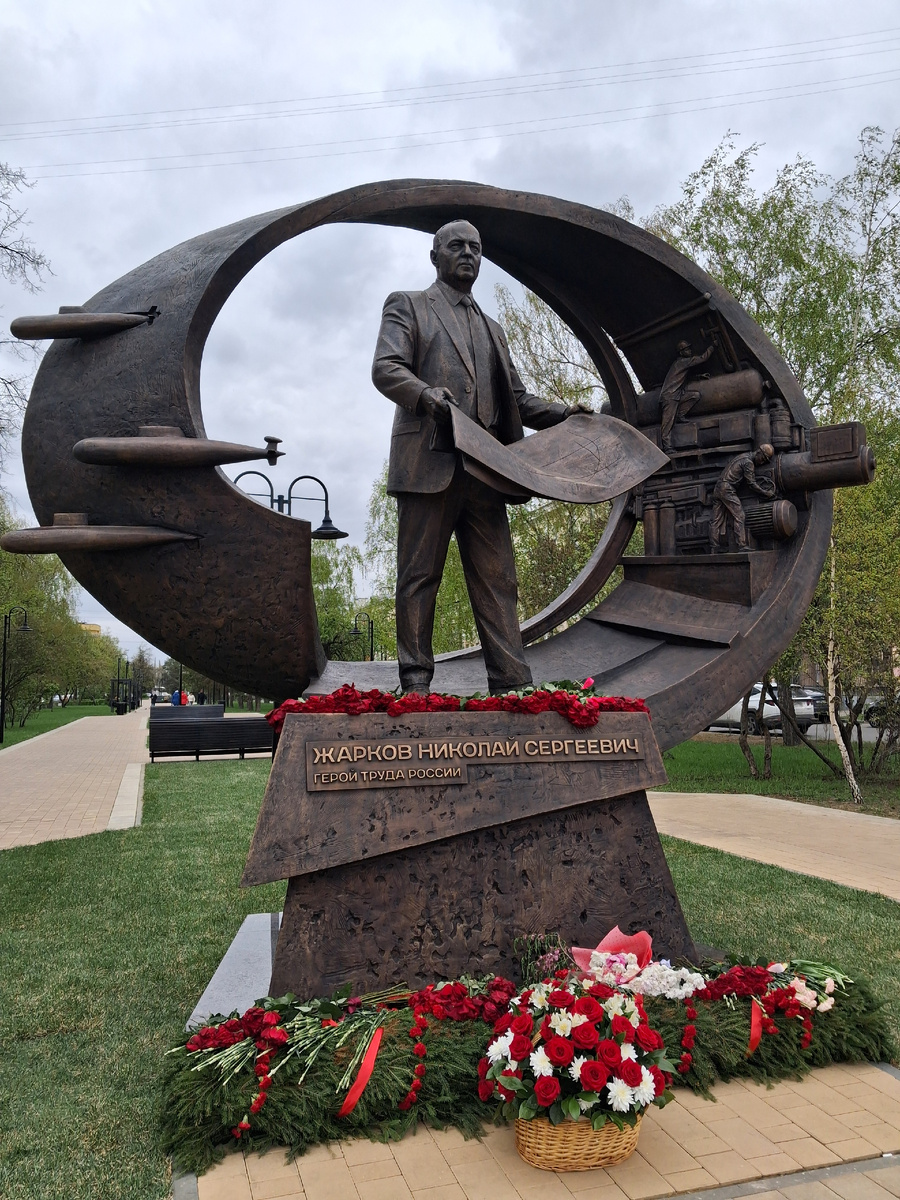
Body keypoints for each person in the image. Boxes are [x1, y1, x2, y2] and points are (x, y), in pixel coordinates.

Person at [372, 218, 586, 694]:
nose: (467, 253)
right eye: (456, 246)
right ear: (435, 256)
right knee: (419, 576)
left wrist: (565, 415)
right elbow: (386, 369)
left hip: (486, 471)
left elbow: (518, 399)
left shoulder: (493, 328)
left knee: (498, 580)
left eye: (475, 246)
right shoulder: (409, 306)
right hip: (430, 462)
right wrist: (427, 396)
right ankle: (415, 683)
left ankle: (512, 684)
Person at [710, 444, 776, 551]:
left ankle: (714, 547)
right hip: (727, 489)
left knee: (716, 520)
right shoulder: (748, 463)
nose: (762, 462)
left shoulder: (743, 456)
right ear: (759, 452)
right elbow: (751, 483)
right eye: (763, 458)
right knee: (739, 516)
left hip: (718, 487)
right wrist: (765, 492)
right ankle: (742, 545)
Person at [658, 340, 714, 453]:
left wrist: (699, 377)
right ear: (681, 352)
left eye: (689, 348)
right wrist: (712, 346)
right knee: (668, 423)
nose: (690, 351)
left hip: (678, 394)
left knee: (694, 396)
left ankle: (680, 415)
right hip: (670, 396)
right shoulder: (682, 362)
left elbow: (683, 378)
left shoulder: (681, 364)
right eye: (687, 349)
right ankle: (667, 447)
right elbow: (703, 358)